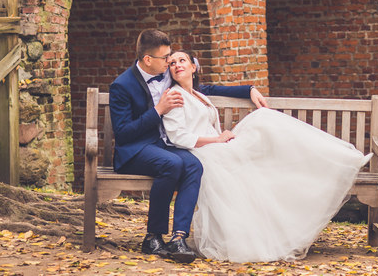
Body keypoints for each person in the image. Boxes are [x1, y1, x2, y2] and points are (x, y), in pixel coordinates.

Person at [162, 50, 371, 262]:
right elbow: (178, 136)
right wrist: (217, 140)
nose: (177, 65)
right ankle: (334, 163)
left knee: (264, 121)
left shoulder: (198, 93)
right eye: (172, 63)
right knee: (262, 123)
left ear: (193, 67)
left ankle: (335, 161)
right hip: (205, 151)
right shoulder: (174, 95)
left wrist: (250, 90)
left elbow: (215, 91)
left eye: (182, 60)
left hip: (218, 145)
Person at [109, 30, 266, 263]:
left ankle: (178, 237)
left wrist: (248, 89)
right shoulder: (122, 85)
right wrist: (158, 111)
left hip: (163, 144)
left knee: (193, 165)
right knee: (172, 164)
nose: (169, 62)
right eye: (165, 58)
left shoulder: (166, 74)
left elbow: (203, 89)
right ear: (148, 59)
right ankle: (153, 237)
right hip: (135, 150)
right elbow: (123, 134)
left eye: (171, 56)